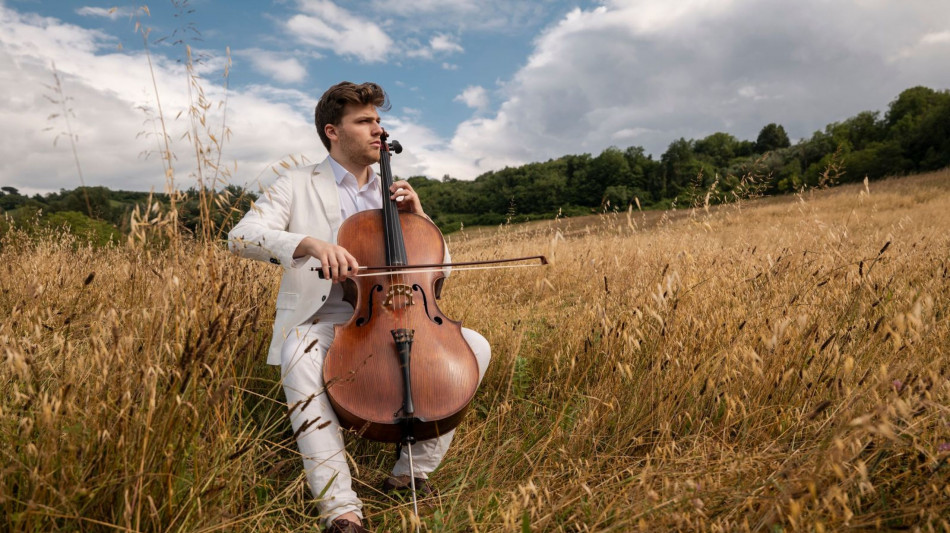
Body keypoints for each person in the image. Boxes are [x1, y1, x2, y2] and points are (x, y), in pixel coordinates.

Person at [228, 81, 491, 533]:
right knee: (299, 357)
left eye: (378, 120)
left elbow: (438, 267)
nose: (378, 130)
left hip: (399, 316)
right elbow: (240, 237)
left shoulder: (396, 195)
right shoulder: (296, 183)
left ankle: (410, 472)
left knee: (475, 348)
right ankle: (341, 511)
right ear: (333, 131)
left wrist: (420, 216)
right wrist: (308, 243)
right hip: (324, 320)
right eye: (364, 121)